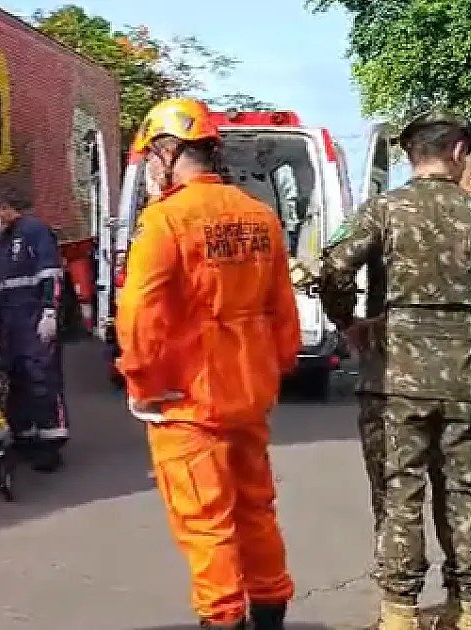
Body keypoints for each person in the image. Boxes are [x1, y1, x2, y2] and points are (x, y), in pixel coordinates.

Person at [116, 97, 299, 630]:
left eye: (153, 154)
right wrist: (273, 367)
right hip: (248, 393)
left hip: (188, 400)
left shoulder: (165, 220)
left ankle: (222, 618)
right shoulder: (259, 215)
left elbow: (139, 311)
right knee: (255, 509)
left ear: (169, 151)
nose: (152, 165)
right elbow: (281, 309)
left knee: (205, 521)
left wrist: (142, 383)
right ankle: (268, 612)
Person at [317, 108, 471, 630]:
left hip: (395, 382)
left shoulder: (383, 210)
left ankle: (400, 612)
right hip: (469, 380)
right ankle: (469, 607)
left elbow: (334, 267)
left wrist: (349, 322)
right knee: (468, 489)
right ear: (459, 151)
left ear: (411, 153)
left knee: (398, 489)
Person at [0, 191, 69, 473]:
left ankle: (51, 441)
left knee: (41, 377)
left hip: (33, 318)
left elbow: (51, 275)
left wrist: (50, 311)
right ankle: (25, 436)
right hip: (10, 323)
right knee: (14, 378)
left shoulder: (35, 231)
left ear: (5, 209)